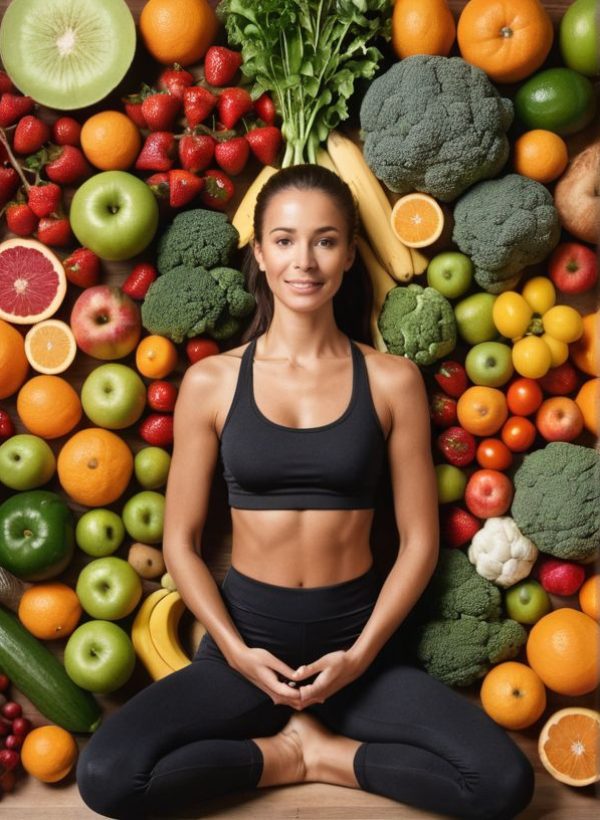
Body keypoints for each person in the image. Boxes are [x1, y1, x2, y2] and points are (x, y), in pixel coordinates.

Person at [76, 164, 535, 820]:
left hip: (360, 650)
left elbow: (419, 543)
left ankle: (325, 758)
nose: (305, 261)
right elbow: (179, 543)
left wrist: (360, 656)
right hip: (245, 646)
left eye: (325, 240)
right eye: (285, 240)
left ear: (349, 253)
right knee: (107, 778)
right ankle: (286, 757)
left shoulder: (393, 381)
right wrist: (238, 654)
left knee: (501, 784)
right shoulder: (210, 383)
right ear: (260, 254)